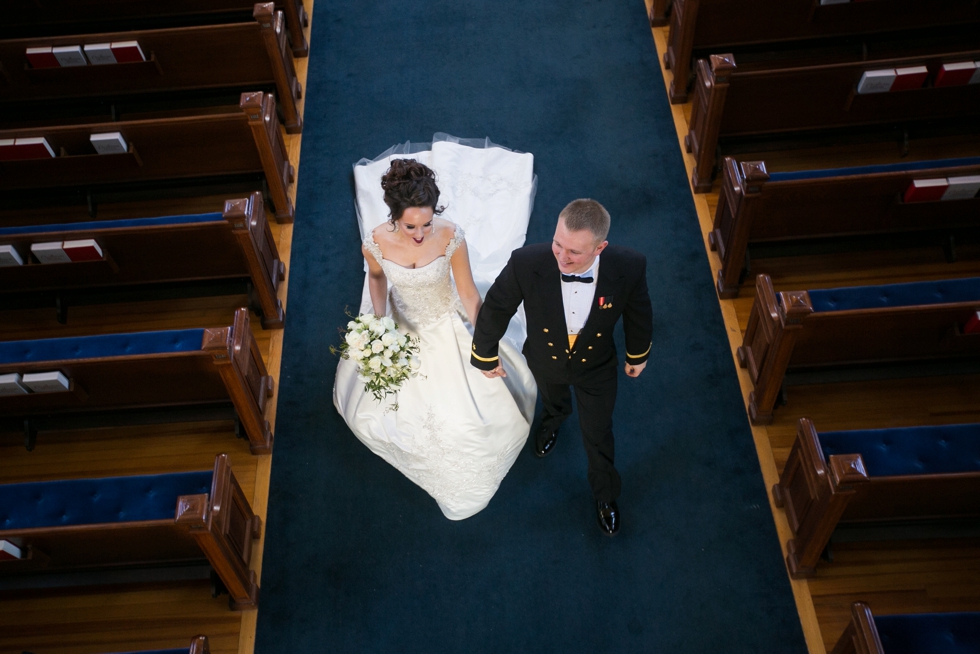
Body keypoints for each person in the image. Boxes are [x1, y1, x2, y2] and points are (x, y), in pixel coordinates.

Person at [333, 155, 537, 520]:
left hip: (447, 319)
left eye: (426, 223)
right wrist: (380, 324)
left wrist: (485, 347)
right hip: (402, 322)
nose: (420, 234)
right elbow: (377, 279)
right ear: (394, 216)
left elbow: (470, 295)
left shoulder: (450, 236)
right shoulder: (376, 242)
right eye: (411, 226)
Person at [470, 199, 653, 536]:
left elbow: (638, 312)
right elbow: (496, 306)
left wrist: (637, 354)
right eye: (558, 244)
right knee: (553, 400)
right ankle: (553, 420)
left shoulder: (629, 265)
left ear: (601, 247)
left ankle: (605, 495)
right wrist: (485, 353)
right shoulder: (526, 262)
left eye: (575, 252)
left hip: (597, 366)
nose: (562, 257)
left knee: (598, 434)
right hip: (545, 357)